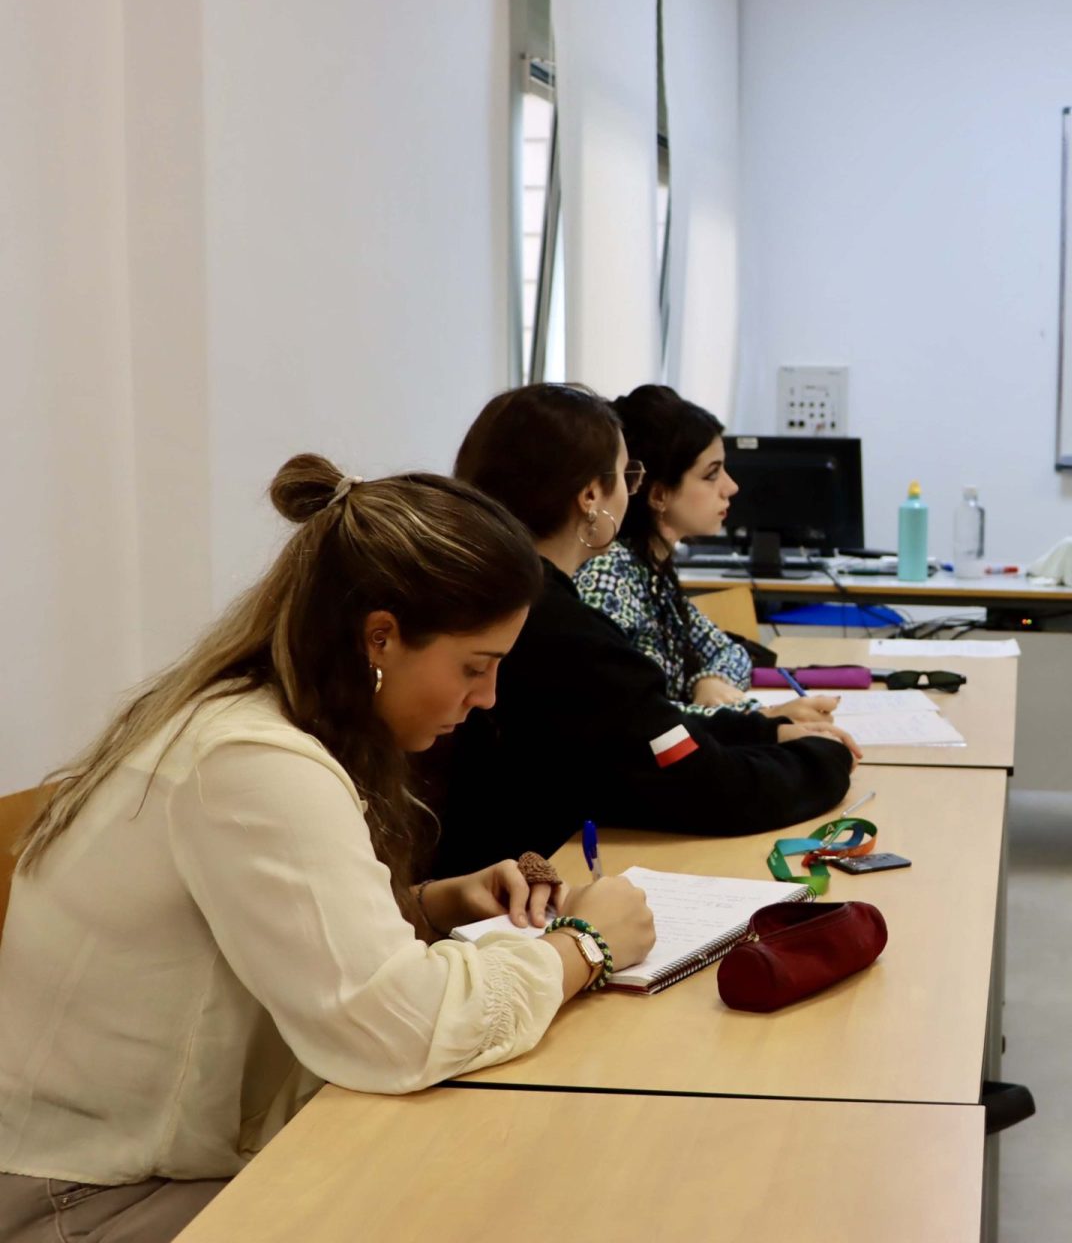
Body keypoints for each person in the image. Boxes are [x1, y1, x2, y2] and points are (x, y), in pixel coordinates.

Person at [0, 456, 656, 1243]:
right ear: (381, 637)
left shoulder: (255, 721)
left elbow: (281, 942)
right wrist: (582, 947)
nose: (486, 699)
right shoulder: (247, 759)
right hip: (91, 1198)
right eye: (475, 667)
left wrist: (432, 905)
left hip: (153, 1163)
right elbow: (397, 1031)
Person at [435, 383, 858, 877]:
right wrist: (824, 757)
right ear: (591, 495)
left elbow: (644, 725)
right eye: (625, 474)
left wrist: (764, 730)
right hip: (525, 887)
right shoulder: (562, 632)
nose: (630, 491)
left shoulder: (487, 598)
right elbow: (710, 787)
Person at [574, 384, 838, 725]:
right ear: (659, 495)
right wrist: (765, 717)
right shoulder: (609, 576)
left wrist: (711, 680)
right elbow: (630, 717)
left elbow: (731, 652)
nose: (731, 487)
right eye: (711, 474)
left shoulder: (652, 571)